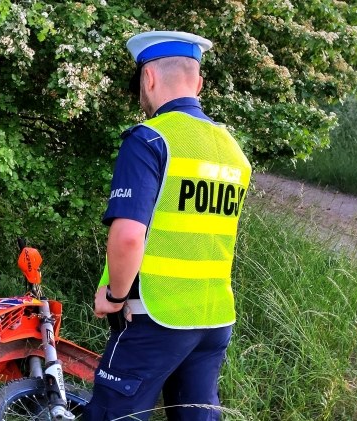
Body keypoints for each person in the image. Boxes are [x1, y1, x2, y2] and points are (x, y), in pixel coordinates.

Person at [83, 31, 253, 421]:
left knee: (115, 414)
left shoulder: (151, 139)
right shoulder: (232, 151)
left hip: (156, 316)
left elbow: (128, 235)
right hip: (214, 318)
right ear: (198, 84)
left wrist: (113, 294)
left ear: (149, 79)